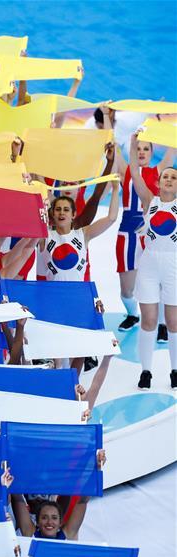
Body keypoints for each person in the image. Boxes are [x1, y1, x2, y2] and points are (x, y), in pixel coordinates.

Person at [106, 104, 175, 333]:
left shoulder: (159, 172)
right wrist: (107, 117)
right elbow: (112, 146)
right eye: (139, 148)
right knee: (126, 288)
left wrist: (165, 125)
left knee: (160, 281)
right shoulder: (127, 171)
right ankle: (132, 314)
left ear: (151, 151)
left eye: (147, 148)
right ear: (134, 150)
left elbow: (172, 148)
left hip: (151, 232)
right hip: (127, 231)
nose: (142, 152)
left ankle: (164, 323)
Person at [127, 134, 177, 389]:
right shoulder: (150, 201)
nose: (168, 179)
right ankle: (145, 371)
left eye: (173, 177)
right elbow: (134, 172)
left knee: (173, 322)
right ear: (158, 183)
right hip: (149, 265)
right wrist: (134, 142)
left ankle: (175, 370)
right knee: (148, 320)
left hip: (174, 266)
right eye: (165, 176)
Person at [37, 179, 120, 281]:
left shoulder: (84, 234)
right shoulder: (45, 236)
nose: (62, 213)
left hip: (77, 292)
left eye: (66, 210)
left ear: (73, 215)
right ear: (53, 214)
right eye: (58, 209)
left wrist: (116, 189)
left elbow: (111, 218)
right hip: (53, 293)